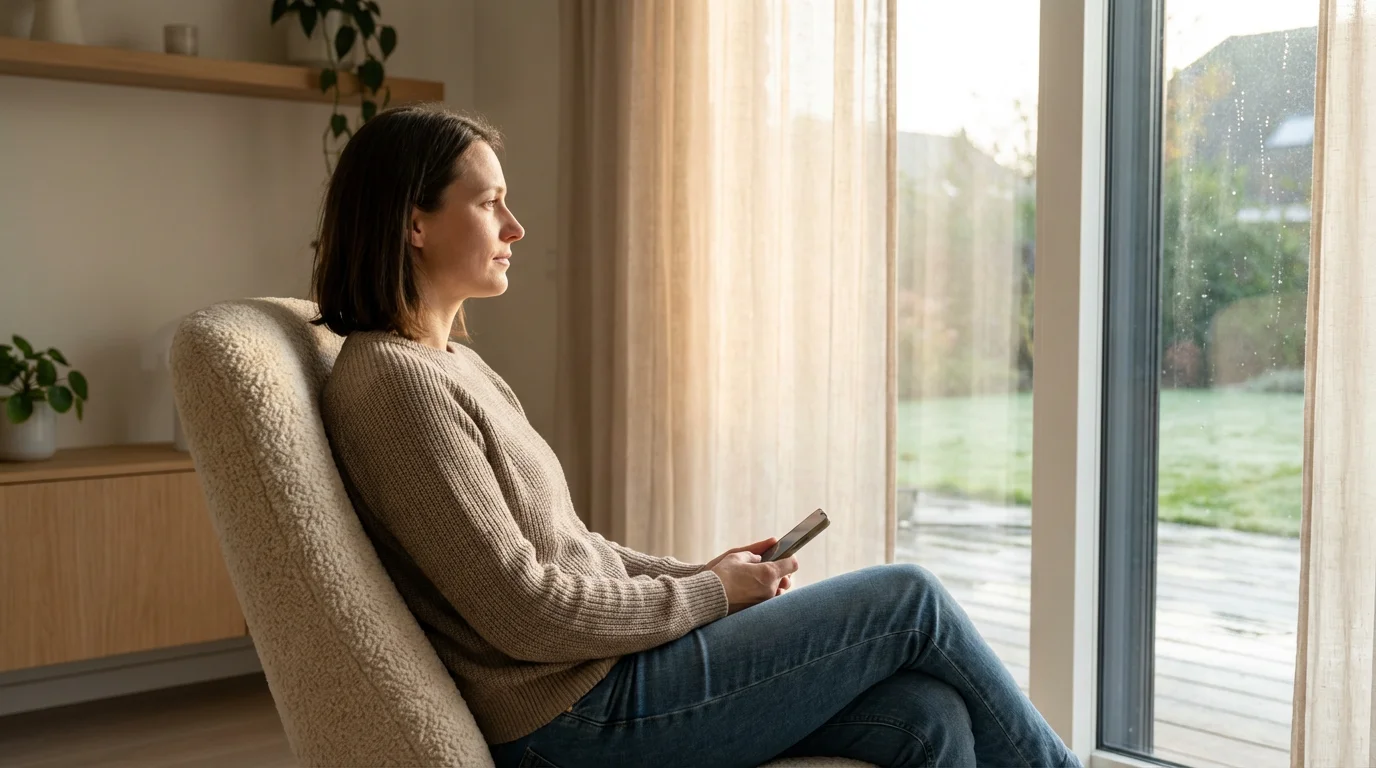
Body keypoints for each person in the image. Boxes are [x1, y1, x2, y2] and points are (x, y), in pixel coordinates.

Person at [315, 104, 1081, 768]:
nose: (516, 227)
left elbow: (573, 546)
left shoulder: (453, 365)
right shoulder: (393, 385)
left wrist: (700, 574)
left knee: (926, 717)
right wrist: (711, 596)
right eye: (490, 204)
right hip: (572, 721)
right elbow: (523, 608)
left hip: (607, 680)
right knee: (908, 599)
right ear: (415, 222)